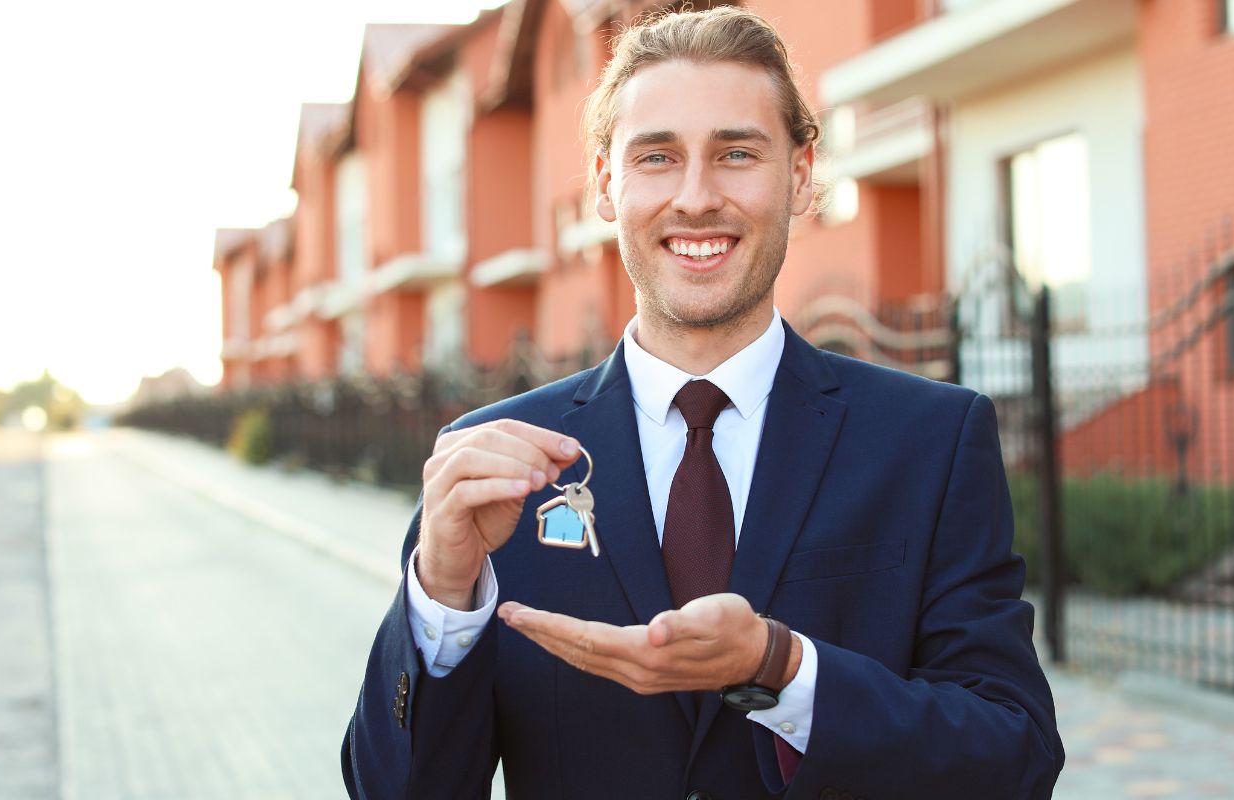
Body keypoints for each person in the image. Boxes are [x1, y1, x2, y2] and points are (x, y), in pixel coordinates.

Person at [342, 7, 1063, 798]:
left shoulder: (930, 440)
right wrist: (442, 598)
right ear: (606, 184)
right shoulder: (491, 465)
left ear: (798, 173)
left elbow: (1013, 756)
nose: (695, 198)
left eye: (736, 153)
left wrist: (781, 668)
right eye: (656, 157)